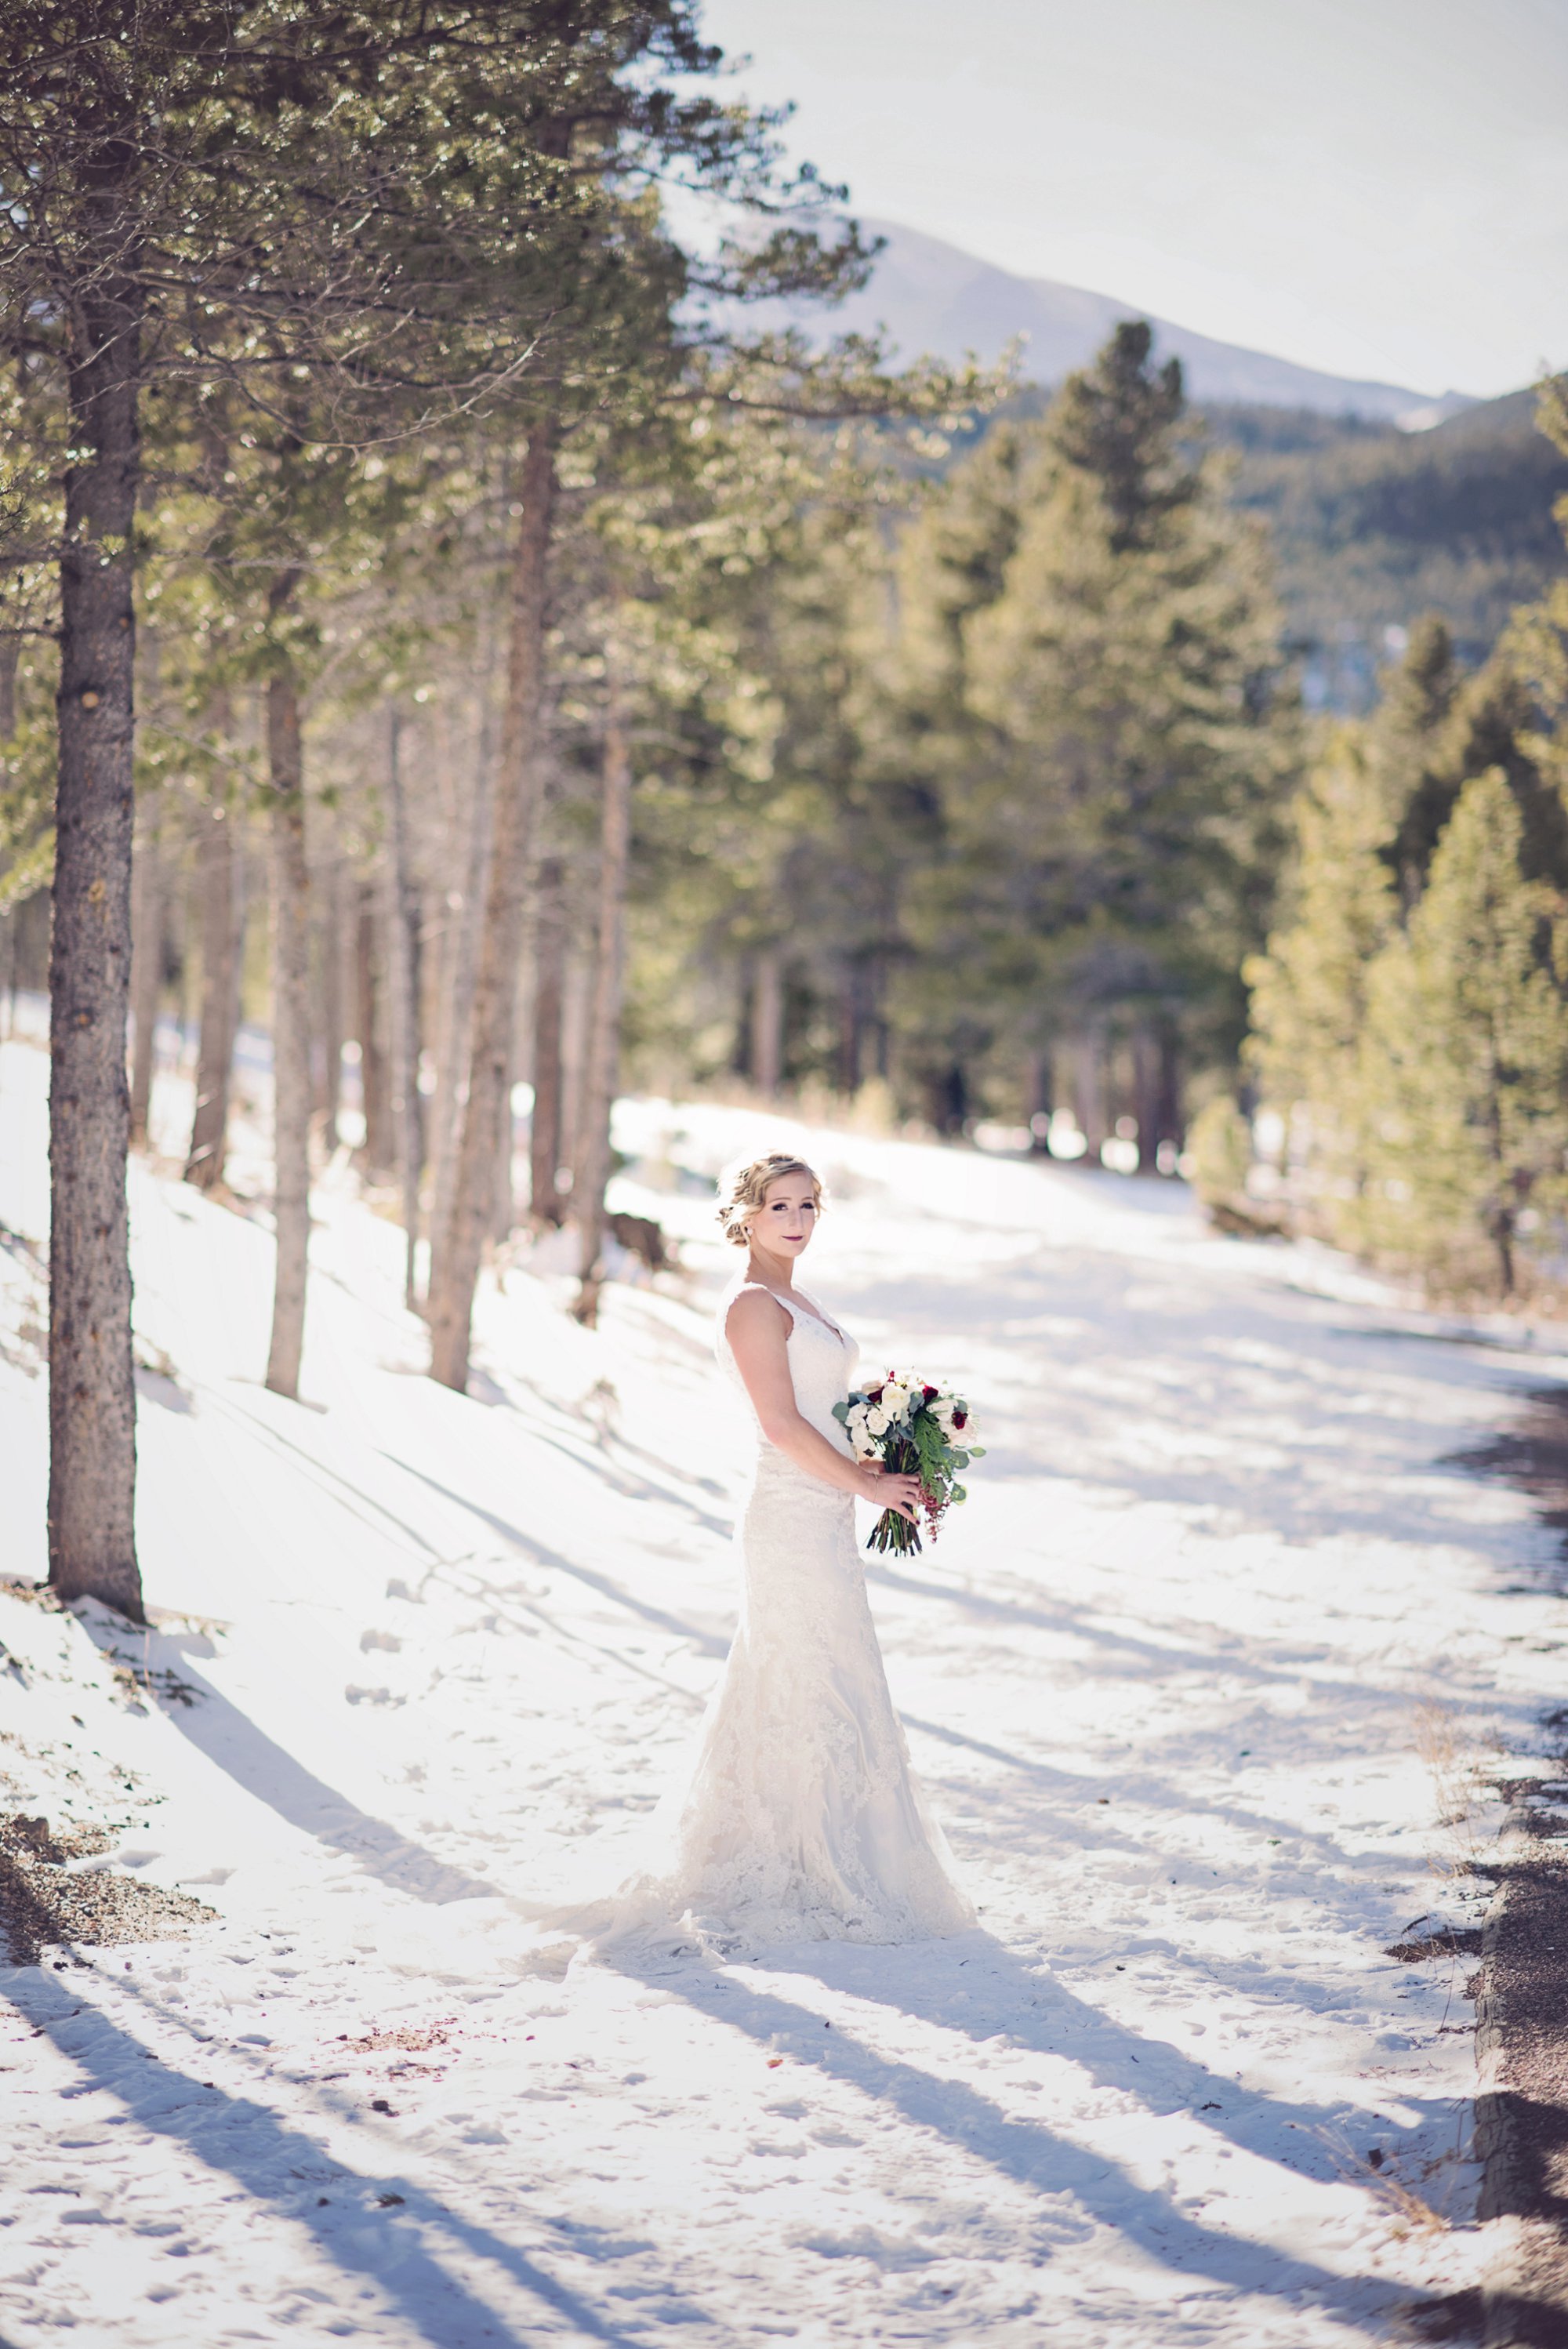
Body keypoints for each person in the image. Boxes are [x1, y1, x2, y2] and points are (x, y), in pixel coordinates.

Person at [649, 1149, 974, 1947]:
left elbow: (821, 1408)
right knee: (802, 1675)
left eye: (807, 1206)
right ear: (746, 1215)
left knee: (822, 1671)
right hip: (788, 1519)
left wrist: (886, 1450)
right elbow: (780, 1424)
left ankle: (839, 1847)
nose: (796, 1220)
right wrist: (863, 1485)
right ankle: (793, 1862)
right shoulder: (751, 1306)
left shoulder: (796, 1297)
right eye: (779, 1206)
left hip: (826, 1511)